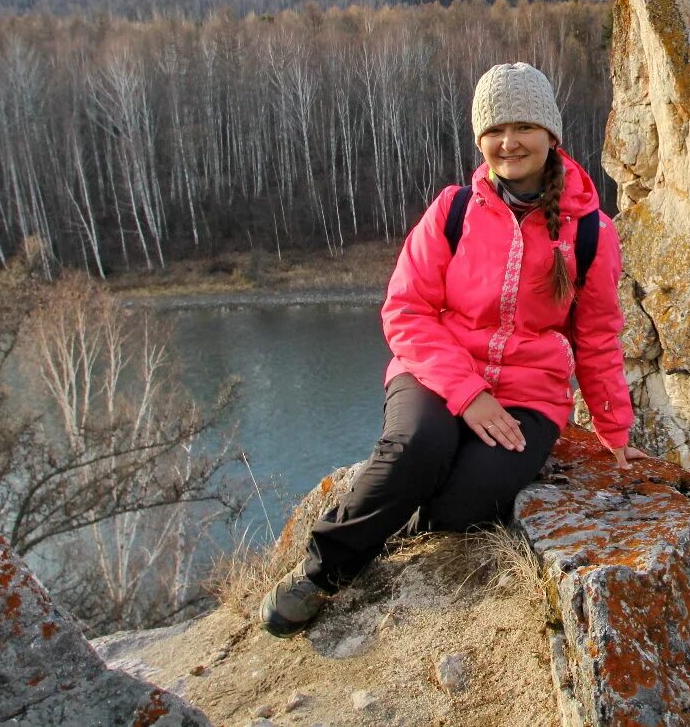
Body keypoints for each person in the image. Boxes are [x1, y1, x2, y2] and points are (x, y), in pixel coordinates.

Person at [261, 62, 645, 637]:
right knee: (417, 446)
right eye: (494, 130)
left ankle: (404, 520)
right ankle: (321, 573)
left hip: (529, 390)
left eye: (523, 127)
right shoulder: (454, 211)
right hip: (437, 369)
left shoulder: (590, 232)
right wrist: (467, 396)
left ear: (551, 135)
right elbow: (406, 310)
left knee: (474, 499)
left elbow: (595, 339)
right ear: (480, 139)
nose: (508, 143)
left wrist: (615, 435)